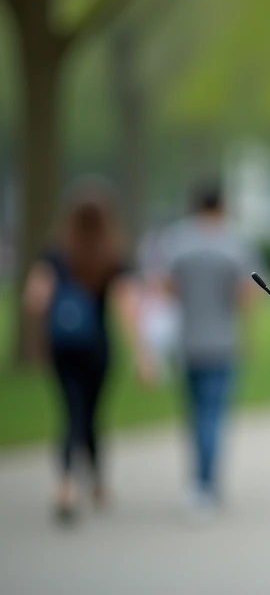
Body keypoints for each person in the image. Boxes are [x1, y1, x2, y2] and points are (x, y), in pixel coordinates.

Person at [21, 180, 153, 524]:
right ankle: (95, 483)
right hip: (97, 348)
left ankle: (66, 483)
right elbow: (126, 309)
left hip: (64, 348)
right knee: (92, 415)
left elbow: (35, 299)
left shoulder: (55, 254)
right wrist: (142, 354)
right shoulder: (112, 257)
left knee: (71, 413)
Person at [159, 179, 260, 514]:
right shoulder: (234, 243)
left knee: (194, 414)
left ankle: (198, 483)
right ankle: (206, 484)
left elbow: (165, 288)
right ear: (222, 205)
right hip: (223, 341)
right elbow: (247, 295)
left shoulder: (177, 241)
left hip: (187, 340)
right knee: (213, 415)